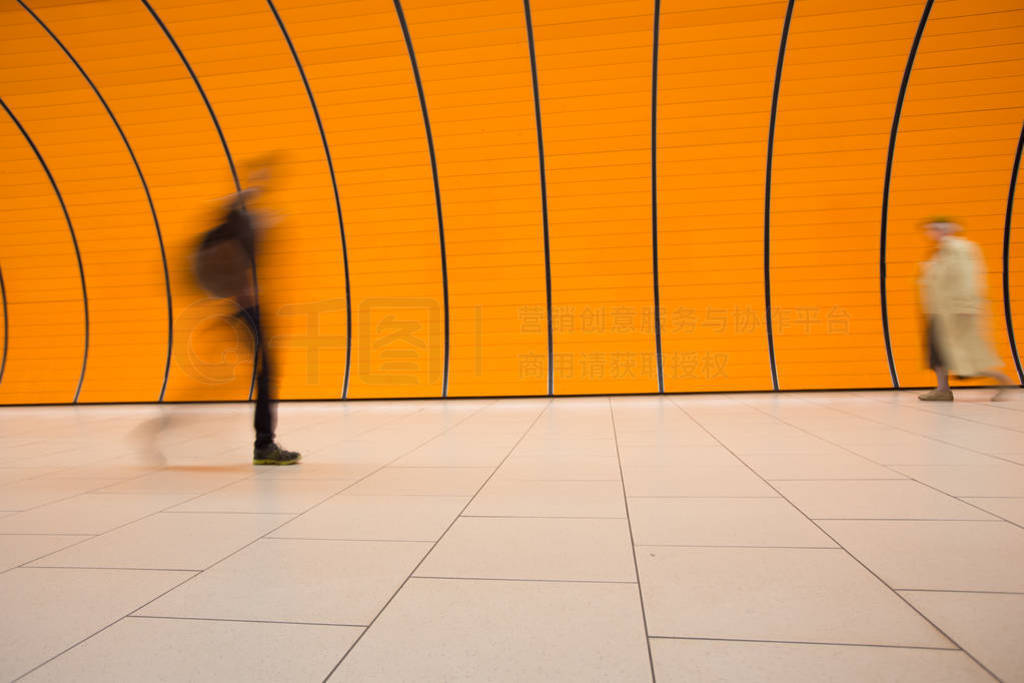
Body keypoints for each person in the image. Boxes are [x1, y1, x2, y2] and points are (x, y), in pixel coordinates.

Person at [195, 158, 301, 464]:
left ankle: (264, 444)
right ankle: (264, 445)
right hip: (247, 309)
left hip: (246, 307)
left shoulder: (242, 228)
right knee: (266, 374)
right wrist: (254, 187)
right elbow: (228, 209)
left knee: (263, 373)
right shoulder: (236, 225)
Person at [917, 217, 1011, 401]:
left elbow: (968, 278)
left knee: (965, 353)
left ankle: (1002, 381)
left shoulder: (961, 249)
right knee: (937, 350)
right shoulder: (942, 251)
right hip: (940, 311)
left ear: (944, 230)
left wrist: (966, 305)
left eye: (932, 229)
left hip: (956, 311)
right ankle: (942, 389)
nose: (929, 233)